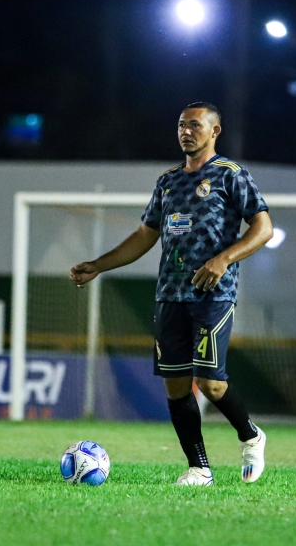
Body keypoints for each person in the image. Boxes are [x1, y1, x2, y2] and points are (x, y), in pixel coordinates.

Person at [70, 102, 274, 486]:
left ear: (214, 131)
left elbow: (263, 229)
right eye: (181, 125)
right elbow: (144, 235)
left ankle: (251, 437)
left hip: (213, 294)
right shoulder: (167, 182)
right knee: (176, 386)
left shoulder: (231, 175)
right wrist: (99, 265)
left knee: (211, 383)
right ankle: (200, 468)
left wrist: (223, 260)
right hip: (170, 295)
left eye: (195, 125)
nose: (186, 131)